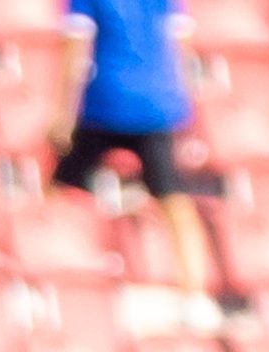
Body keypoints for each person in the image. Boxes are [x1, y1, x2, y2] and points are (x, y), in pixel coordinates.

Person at [51, 0, 225, 328]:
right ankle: (194, 294)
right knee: (174, 201)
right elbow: (181, 47)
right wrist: (182, 103)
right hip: (157, 105)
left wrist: (63, 114)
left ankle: (52, 275)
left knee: (61, 194)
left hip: (104, 103)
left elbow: (74, 49)